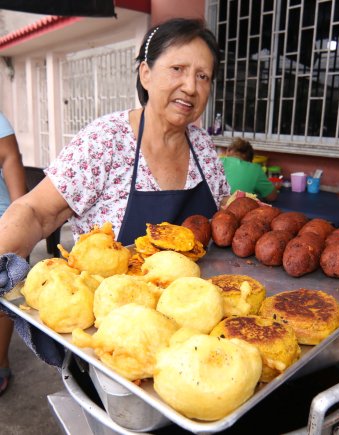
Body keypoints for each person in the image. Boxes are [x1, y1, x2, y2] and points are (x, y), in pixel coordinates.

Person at [0, 18, 230, 370]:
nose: (190, 86)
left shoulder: (202, 146)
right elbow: (37, 212)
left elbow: (220, 216)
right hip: (115, 343)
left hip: (193, 337)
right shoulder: (106, 140)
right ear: (146, 74)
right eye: (178, 69)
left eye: (202, 76)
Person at [0, 112, 27, 395]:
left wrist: (20, 220)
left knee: (3, 294)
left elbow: (9, 158)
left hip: (1, 221)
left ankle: (0, 363)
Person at [221, 137, 278, 201]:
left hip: (212, 207)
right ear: (250, 159)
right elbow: (272, 197)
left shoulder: (216, 161)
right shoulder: (255, 169)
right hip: (238, 208)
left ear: (228, 150)